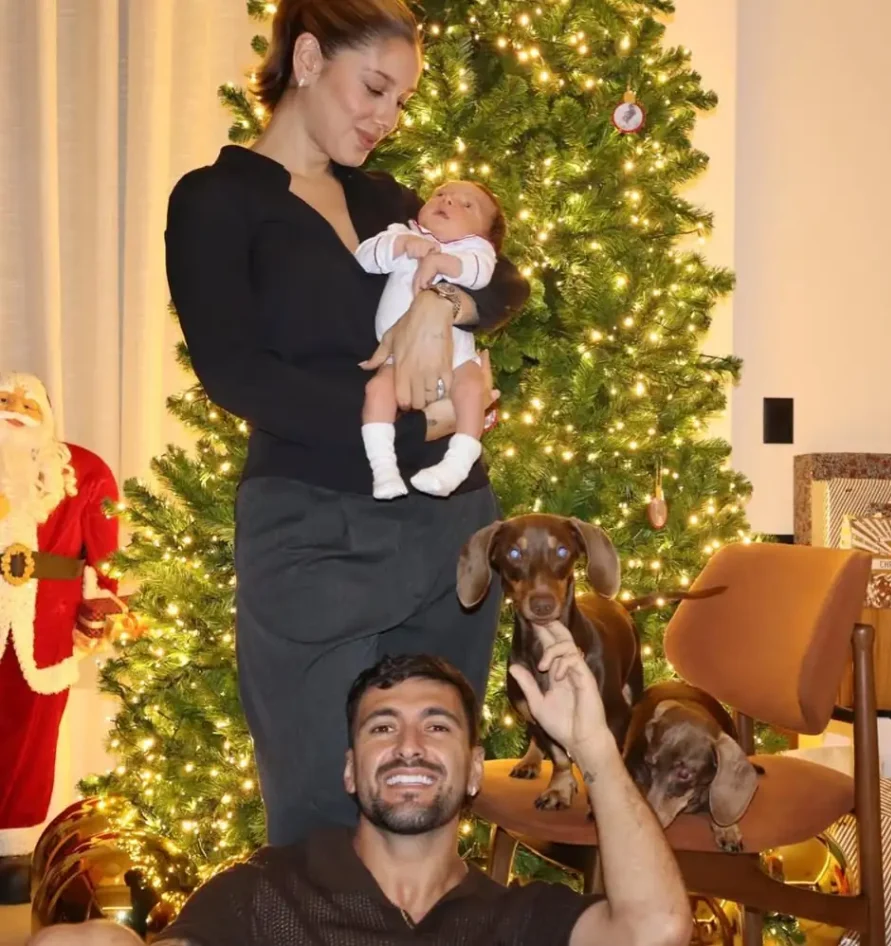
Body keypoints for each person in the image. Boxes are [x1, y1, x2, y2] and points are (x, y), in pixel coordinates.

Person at [162, 0, 530, 848]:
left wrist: (440, 305)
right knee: (320, 823)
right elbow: (236, 374)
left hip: (449, 530)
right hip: (313, 532)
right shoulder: (217, 200)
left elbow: (504, 281)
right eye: (374, 88)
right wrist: (416, 422)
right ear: (306, 59)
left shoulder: (385, 198)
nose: (387, 117)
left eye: (401, 100)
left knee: (429, 811)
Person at [31, 626, 691, 946]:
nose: (409, 744)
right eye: (382, 727)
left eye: (437, 726)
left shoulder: (518, 919)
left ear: (472, 770)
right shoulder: (265, 893)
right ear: (351, 770)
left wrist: (595, 751)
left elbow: (657, 929)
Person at [0, 372, 124, 904]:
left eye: (28, 402)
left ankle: (13, 849)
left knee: (30, 738)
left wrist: (100, 603)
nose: (15, 408)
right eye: (4, 399)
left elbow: (104, 552)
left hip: (43, 628)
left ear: (47, 413)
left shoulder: (83, 471)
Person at [356, 179, 506, 500]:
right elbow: (363, 258)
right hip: (398, 355)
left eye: (467, 205)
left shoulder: (474, 250)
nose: (448, 201)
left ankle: (457, 464)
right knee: (376, 391)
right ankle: (383, 468)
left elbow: (480, 273)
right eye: (441, 194)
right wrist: (401, 245)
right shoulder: (403, 233)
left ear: (484, 234)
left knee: (472, 389)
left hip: (457, 357)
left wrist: (442, 262)